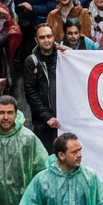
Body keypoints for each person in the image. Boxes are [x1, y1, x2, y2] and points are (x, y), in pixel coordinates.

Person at [23, 24, 60, 152]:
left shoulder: (64, 56)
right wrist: (47, 117)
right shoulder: (31, 61)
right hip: (42, 121)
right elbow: (30, 92)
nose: (47, 40)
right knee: (45, 155)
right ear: (36, 40)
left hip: (64, 117)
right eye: (42, 37)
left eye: (49, 36)